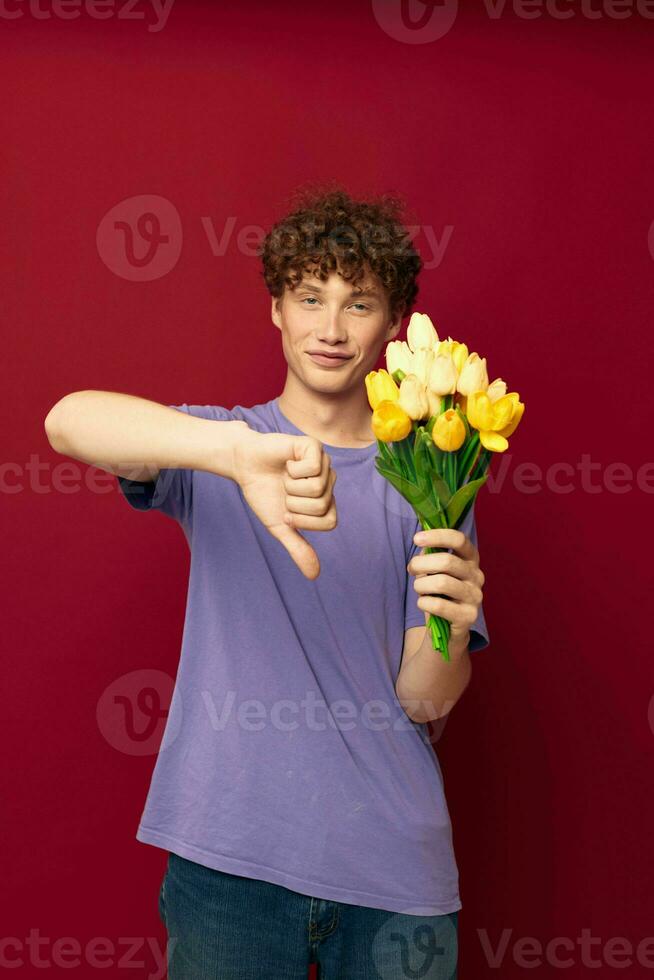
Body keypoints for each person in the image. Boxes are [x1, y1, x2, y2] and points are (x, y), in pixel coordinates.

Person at [44, 186, 489, 979]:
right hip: (230, 865)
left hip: (393, 870)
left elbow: (425, 699)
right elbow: (69, 420)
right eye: (309, 296)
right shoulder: (221, 448)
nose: (329, 326)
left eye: (359, 303)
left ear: (392, 327)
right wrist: (231, 452)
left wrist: (455, 621)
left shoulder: (431, 477)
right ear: (276, 310)